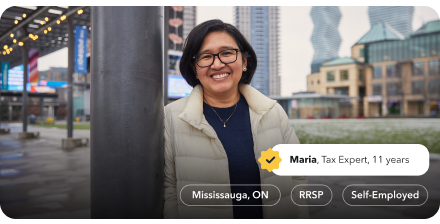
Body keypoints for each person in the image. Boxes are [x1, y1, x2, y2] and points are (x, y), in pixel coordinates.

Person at [163, 19, 308, 219]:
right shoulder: (170, 118)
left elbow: (297, 178)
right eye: (206, 56)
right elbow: (168, 190)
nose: (217, 63)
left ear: (244, 61)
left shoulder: (273, 112)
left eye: (227, 53)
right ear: (194, 67)